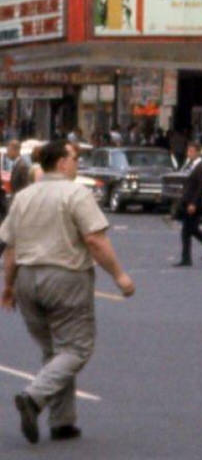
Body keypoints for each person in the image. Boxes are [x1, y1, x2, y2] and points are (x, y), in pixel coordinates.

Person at [1, 136, 133, 444]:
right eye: (74, 159)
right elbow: (95, 240)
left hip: (27, 278)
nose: (76, 164)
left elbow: (10, 248)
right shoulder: (76, 193)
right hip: (65, 277)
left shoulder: (24, 196)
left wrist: (8, 286)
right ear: (61, 162)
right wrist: (120, 276)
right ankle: (34, 397)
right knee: (76, 348)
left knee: (54, 350)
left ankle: (62, 421)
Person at [172, 139, 202, 266]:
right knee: (192, 230)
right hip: (186, 201)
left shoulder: (201, 167)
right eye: (188, 150)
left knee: (187, 231)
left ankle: (187, 259)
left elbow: (200, 187)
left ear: (198, 152)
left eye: (191, 151)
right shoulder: (189, 165)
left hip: (194, 203)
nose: (189, 153)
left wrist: (194, 203)